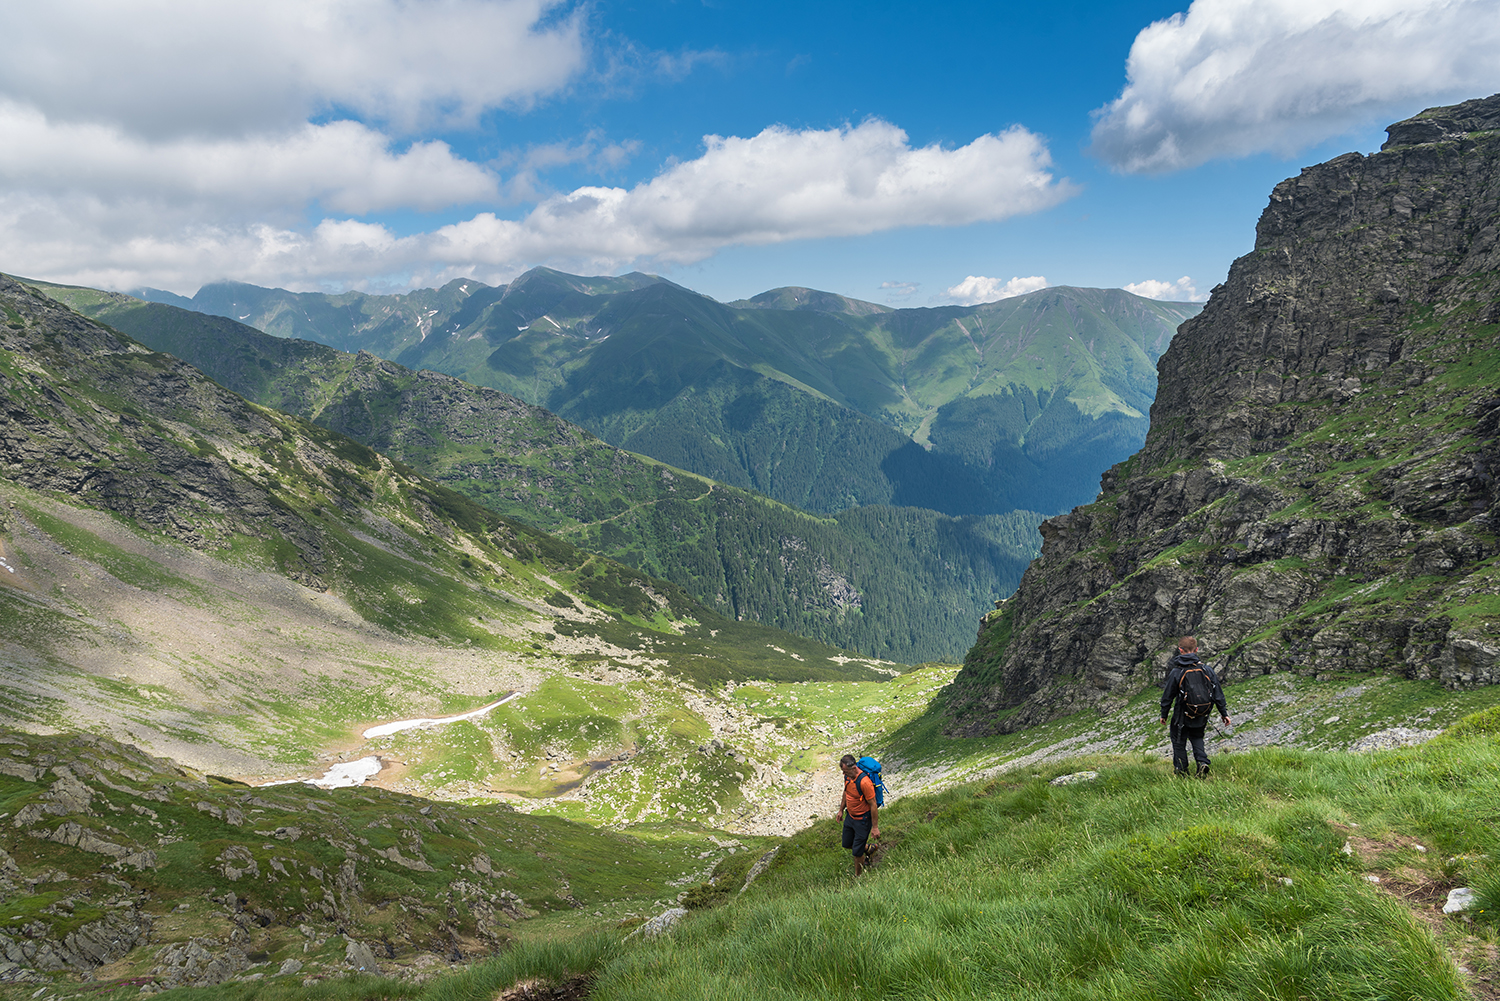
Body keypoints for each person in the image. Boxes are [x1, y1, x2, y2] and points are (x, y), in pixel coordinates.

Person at [1159, 636, 1230, 778]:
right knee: (1197, 737)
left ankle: (1182, 772)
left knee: (1179, 741)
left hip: (1181, 715)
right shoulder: (1207, 670)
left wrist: (1164, 714)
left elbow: (1167, 697)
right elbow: (1217, 693)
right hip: (1201, 714)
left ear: (1180, 650)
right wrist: (1224, 713)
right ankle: (1202, 762)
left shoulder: (1176, 672)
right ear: (1196, 650)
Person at [834, 753, 879, 875]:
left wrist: (875, 827)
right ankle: (869, 848)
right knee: (847, 843)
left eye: (845, 771)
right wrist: (840, 810)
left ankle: (858, 877)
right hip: (850, 816)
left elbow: (873, 805)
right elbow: (846, 793)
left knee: (857, 852)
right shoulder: (848, 777)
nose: (844, 774)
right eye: (843, 772)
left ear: (854, 768)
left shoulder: (865, 782)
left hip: (862, 820)